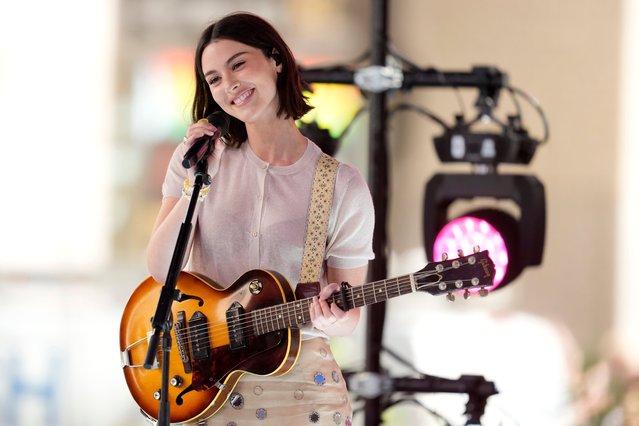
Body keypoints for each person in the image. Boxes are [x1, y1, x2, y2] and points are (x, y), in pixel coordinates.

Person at [146, 11, 375, 425]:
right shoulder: (196, 165)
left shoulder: (342, 185)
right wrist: (199, 183)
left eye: (238, 64)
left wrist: (335, 316)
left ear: (277, 60)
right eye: (213, 78)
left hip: (302, 389)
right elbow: (163, 270)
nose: (228, 84)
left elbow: (350, 315)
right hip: (209, 385)